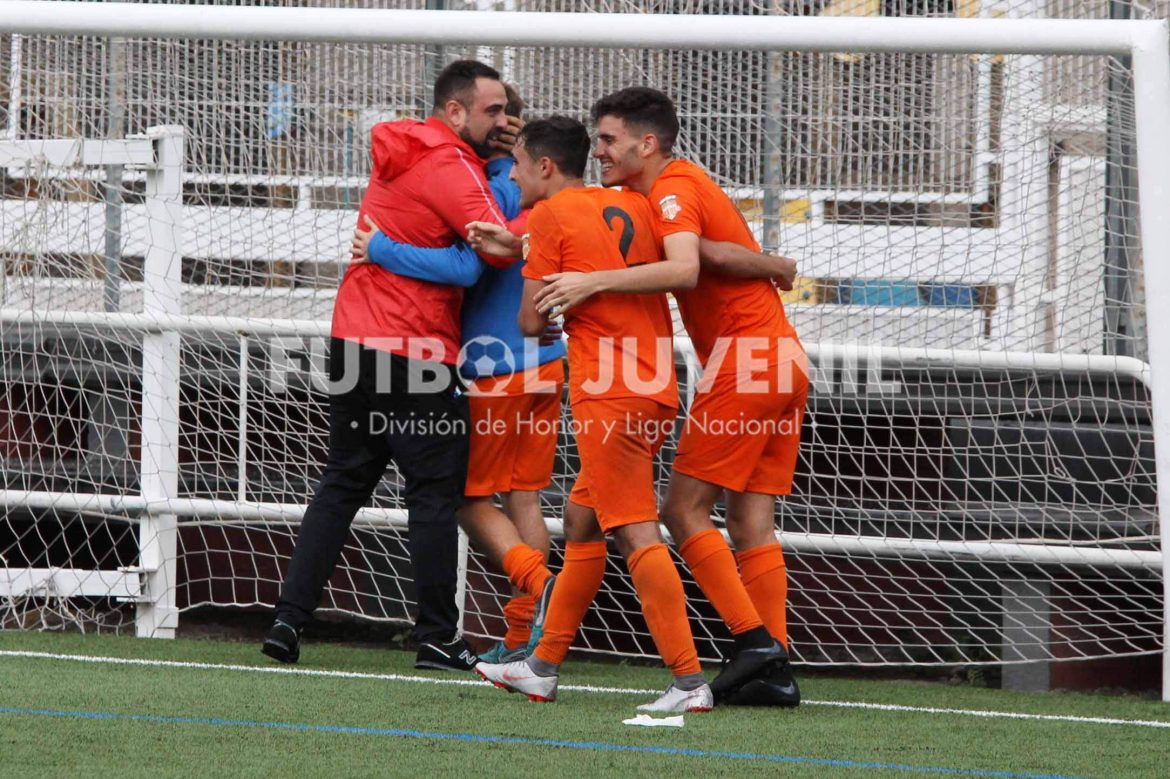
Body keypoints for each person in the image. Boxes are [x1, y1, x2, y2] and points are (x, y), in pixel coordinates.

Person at [532, 87, 807, 707]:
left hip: (744, 362)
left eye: (608, 140)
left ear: (646, 143)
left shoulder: (672, 188)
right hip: (781, 360)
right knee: (750, 522)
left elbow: (685, 267)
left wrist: (592, 282)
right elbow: (707, 252)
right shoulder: (661, 192)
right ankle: (774, 670)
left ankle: (754, 643)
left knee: (682, 512)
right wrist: (772, 263)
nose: (598, 151)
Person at [262, 60, 527, 672]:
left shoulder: (402, 149)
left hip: (353, 339)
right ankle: (436, 635)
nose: (503, 122)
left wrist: (384, 248)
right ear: (454, 111)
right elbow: (487, 250)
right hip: (415, 349)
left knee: (342, 483)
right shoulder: (453, 163)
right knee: (434, 493)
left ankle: (287, 620)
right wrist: (503, 171)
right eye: (492, 111)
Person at [469, 116, 713, 713]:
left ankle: (689, 681)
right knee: (580, 522)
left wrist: (539, 289)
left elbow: (531, 321)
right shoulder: (630, 202)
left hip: (609, 394)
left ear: (544, 166)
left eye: (517, 165)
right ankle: (542, 666)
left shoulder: (549, 216)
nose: (512, 177)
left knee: (635, 530)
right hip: (656, 387)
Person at [349, 85, 563, 664]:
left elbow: (466, 264)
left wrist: (382, 249)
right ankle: (525, 636)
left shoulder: (493, 186)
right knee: (524, 500)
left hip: (498, 370)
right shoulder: (559, 200)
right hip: (548, 363)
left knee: (465, 500)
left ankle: (542, 587)